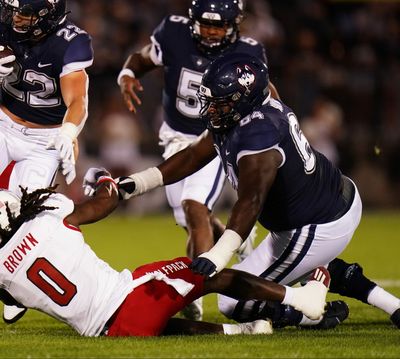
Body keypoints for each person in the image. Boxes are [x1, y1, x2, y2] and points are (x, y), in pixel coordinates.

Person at [112, 53, 400, 329]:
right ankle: (392, 306)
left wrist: (219, 254)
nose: (211, 108)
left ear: (243, 101)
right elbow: (191, 156)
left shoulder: (258, 134)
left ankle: (307, 315)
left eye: (219, 103)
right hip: (325, 202)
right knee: (298, 269)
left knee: (233, 302)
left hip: (318, 224)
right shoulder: (245, 110)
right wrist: (139, 183)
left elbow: (251, 201)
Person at [0, 172, 331, 337]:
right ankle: (301, 299)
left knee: (153, 319)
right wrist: (103, 179)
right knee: (206, 272)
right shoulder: (48, 216)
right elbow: (106, 202)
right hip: (129, 299)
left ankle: (240, 332)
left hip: (107, 333)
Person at [117, 0, 279, 320]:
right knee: (191, 219)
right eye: (206, 24)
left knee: (194, 206)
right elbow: (142, 58)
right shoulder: (174, 33)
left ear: (235, 24)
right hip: (176, 142)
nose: (212, 31)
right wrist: (127, 73)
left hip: (217, 140)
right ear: (193, 21)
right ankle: (241, 241)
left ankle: (193, 292)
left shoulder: (248, 51)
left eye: (219, 25)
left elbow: (267, 93)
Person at [0, 0, 93, 323]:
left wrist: (69, 132)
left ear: (47, 16)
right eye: (11, 11)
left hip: (45, 139)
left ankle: (12, 291)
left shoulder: (70, 42)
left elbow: (77, 99)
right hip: (2, 121)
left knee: (21, 217)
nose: (15, 19)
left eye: (23, 13)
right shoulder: (4, 26)